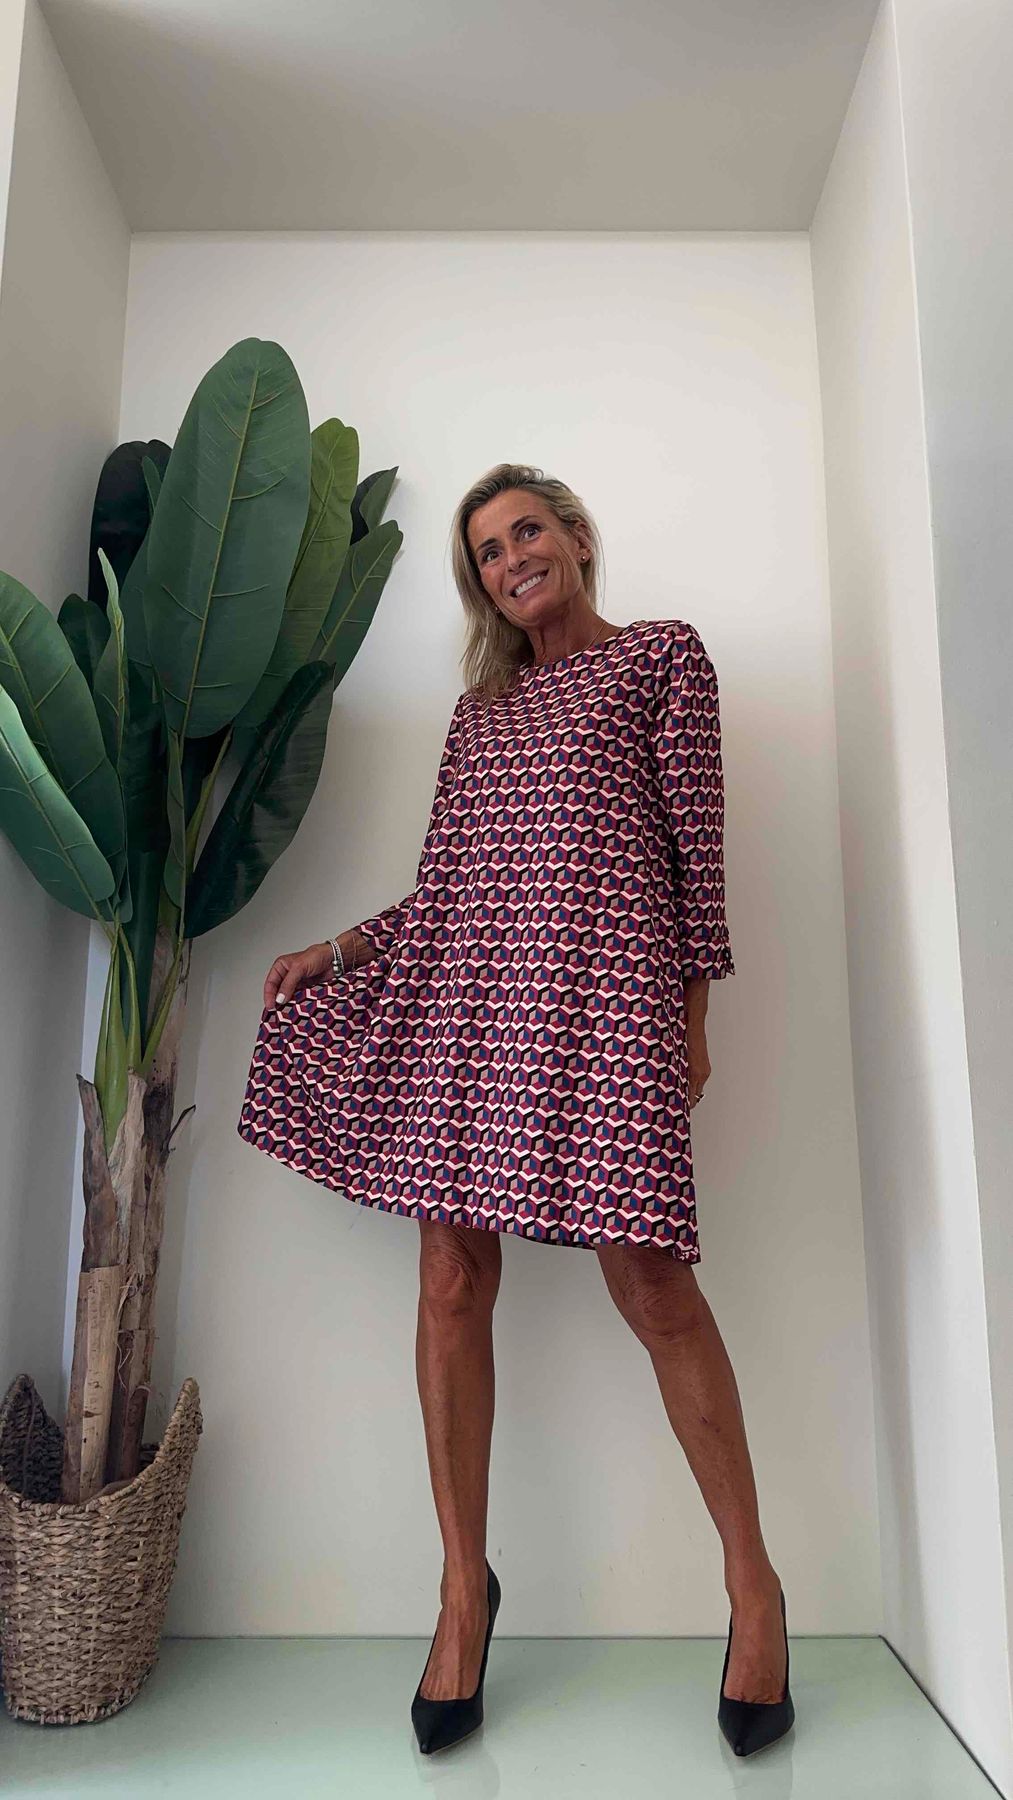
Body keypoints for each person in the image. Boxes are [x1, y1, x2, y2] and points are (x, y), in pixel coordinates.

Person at [238, 463, 794, 1759]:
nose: (509, 560)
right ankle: (460, 1589)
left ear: (577, 537)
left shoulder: (661, 659)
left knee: (652, 1286)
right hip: (472, 1013)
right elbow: (448, 891)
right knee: (448, 1281)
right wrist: (339, 950)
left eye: (525, 532)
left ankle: (755, 1587)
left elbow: (696, 856)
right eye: (487, 552)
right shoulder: (478, 715)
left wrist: (691, 1020)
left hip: (607, 1008)